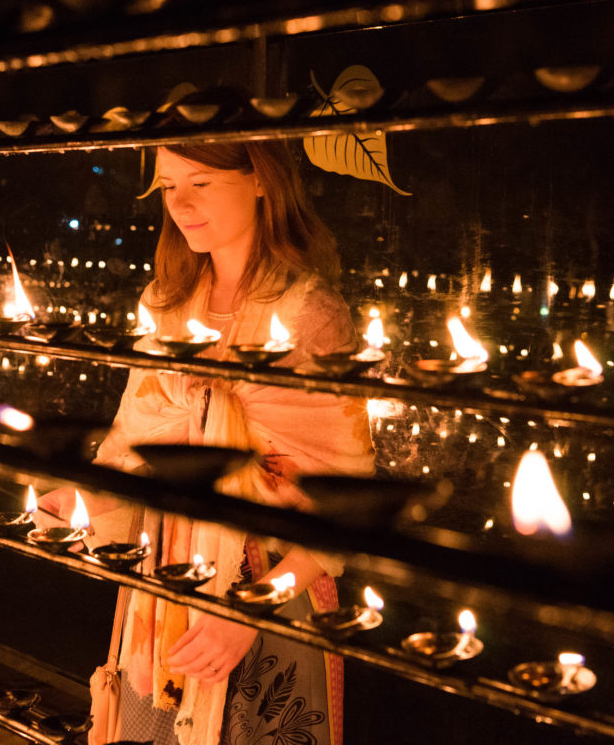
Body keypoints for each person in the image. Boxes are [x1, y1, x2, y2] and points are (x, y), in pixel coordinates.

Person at [41, 139, 375, 745]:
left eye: (202, 183)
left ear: (260, 181)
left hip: (267, 599)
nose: (181, 204)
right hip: (164, 591)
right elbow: (133, 450)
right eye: (169, 186)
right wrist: (75, 503)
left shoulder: (309, 316)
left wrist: (248, 611)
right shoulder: (166, 307)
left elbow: (345, 499)